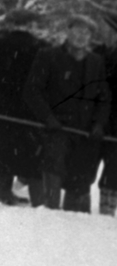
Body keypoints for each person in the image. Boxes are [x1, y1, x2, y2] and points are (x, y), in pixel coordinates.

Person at [23, 13, 111, 212]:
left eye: (87, 33)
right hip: (54, 130)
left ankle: (74, 224)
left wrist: (98, 124)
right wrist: (48, 118)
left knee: (80, 183)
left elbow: (103, 98)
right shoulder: (48, 56)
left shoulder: (96, 62)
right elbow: (32, 91)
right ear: (68, 31)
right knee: (52, 174)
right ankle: (48, 214)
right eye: (78, 30)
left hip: (83, 134)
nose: (81, 36)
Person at [0, 9, 46, 205]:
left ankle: (2, 190)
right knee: (30, 152)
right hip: (30, 110)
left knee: (2, 148)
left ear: (8, 24)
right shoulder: (42, 48)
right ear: (30, 25)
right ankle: (39, 199)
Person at [97, 12, 117, 216]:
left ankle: (107, 212)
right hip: (98, 120)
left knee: (112, 171)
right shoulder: (104, 54)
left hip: (111, 123)